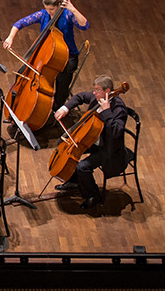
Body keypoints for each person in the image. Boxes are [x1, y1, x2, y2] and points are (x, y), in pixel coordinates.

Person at [2, 0, 89, 112]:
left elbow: (84, 25)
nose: (49, 12)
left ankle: (56, 109)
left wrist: (73, 9)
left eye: (52, 9)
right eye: (47, 8)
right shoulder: (43, 14)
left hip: (67, 56)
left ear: (59, 5)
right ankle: (21, 105)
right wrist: (10, 37)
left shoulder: (68, 14)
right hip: (47, 53)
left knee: (62, 81)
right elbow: (20, 23)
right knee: (22, 72)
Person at [52, 75, 128, 209]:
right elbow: (80, 97)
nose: (94, 93)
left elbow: (116, 132)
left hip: (108, 148)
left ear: (107, 91)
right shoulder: (96, 98)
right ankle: (73, 180)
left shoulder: (119, 109)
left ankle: (93, 196)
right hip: (92, 140)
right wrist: (65, 108)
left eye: (97, 90)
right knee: (62, 142)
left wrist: (106, 112)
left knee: (83, 167)